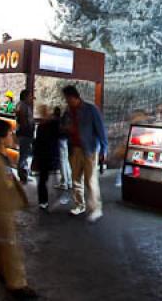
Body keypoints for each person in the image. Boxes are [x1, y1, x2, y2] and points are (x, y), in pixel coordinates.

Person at [0, 120, 36, 299]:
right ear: (1, 138)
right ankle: (17, 284)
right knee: (11, 243)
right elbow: (1, 187)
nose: (12, 136)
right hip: (1, 207)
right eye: (9, 134)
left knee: (2, 241)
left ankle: (4, 272)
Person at [61, 85, 108, 222]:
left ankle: (95, 209)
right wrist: (66, 128)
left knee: (90, 180)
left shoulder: (91, 109)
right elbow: (62, 127)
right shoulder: (68, 111)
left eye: (69, 99)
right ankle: (79, 205)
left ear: (75, 97)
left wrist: (104, 150)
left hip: (89, 150)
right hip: (74, 148)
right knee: (76, 179)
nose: (67, 102)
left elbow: (100, 130)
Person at [33, 106, 61, 211]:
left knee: (43, 179)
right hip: (47, 154)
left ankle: (44, 201)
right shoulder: (51, 124)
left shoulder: (44, 125)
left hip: (45, 154)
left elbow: (37, 142)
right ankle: (44, 201)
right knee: (45, 178)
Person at [15, 90, 35, 183]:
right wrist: (27, 129)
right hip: (25, 133)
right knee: (23, 154)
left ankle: (24, 173)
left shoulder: (22, 105)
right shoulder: (22, 106)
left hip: (24, 133)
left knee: (24, 154)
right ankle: (22, 175)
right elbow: (22, 119)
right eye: (30, 96)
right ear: (26, 96)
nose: (31, 98)